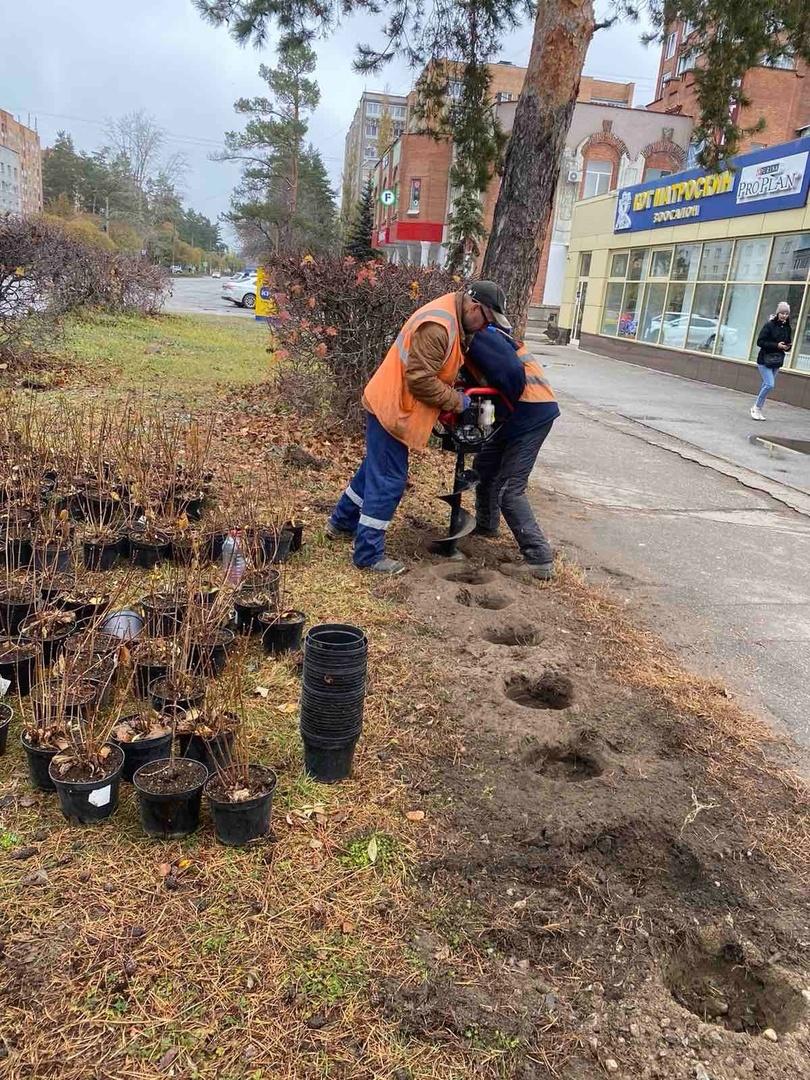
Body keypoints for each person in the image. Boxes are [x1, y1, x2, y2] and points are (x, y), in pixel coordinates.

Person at [327, 281, 512, 574]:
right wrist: (457, 402)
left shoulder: (453, 317)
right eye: (485, 321)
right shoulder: (440, 326)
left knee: (372, 472)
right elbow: (421, 380)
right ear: (475, 308)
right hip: (393, 407)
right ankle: (368, 555)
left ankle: (341, 523)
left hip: (392, 403)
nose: (483, 329)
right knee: (389, 479)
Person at [462, 324, 560, 579]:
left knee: (509, 489)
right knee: (484, 468)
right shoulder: (481, 336)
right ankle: (486, 525)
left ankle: (539, 558)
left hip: (532, 413)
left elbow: (509, 375)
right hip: (515, 413)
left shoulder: (481, 335)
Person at [751, 302, 792, 421]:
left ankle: (758, 409)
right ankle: (756, 407)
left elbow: (788, 342)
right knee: (769, 384)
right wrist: (776, 345)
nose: (784, 316)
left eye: (786, 314)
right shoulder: (769, 325)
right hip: (764, 360)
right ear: (778, 313)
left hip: (777, 360)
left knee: (766, 385)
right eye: (782, 313)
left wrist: (787, 347)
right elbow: (760, 342)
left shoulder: (787, 328)